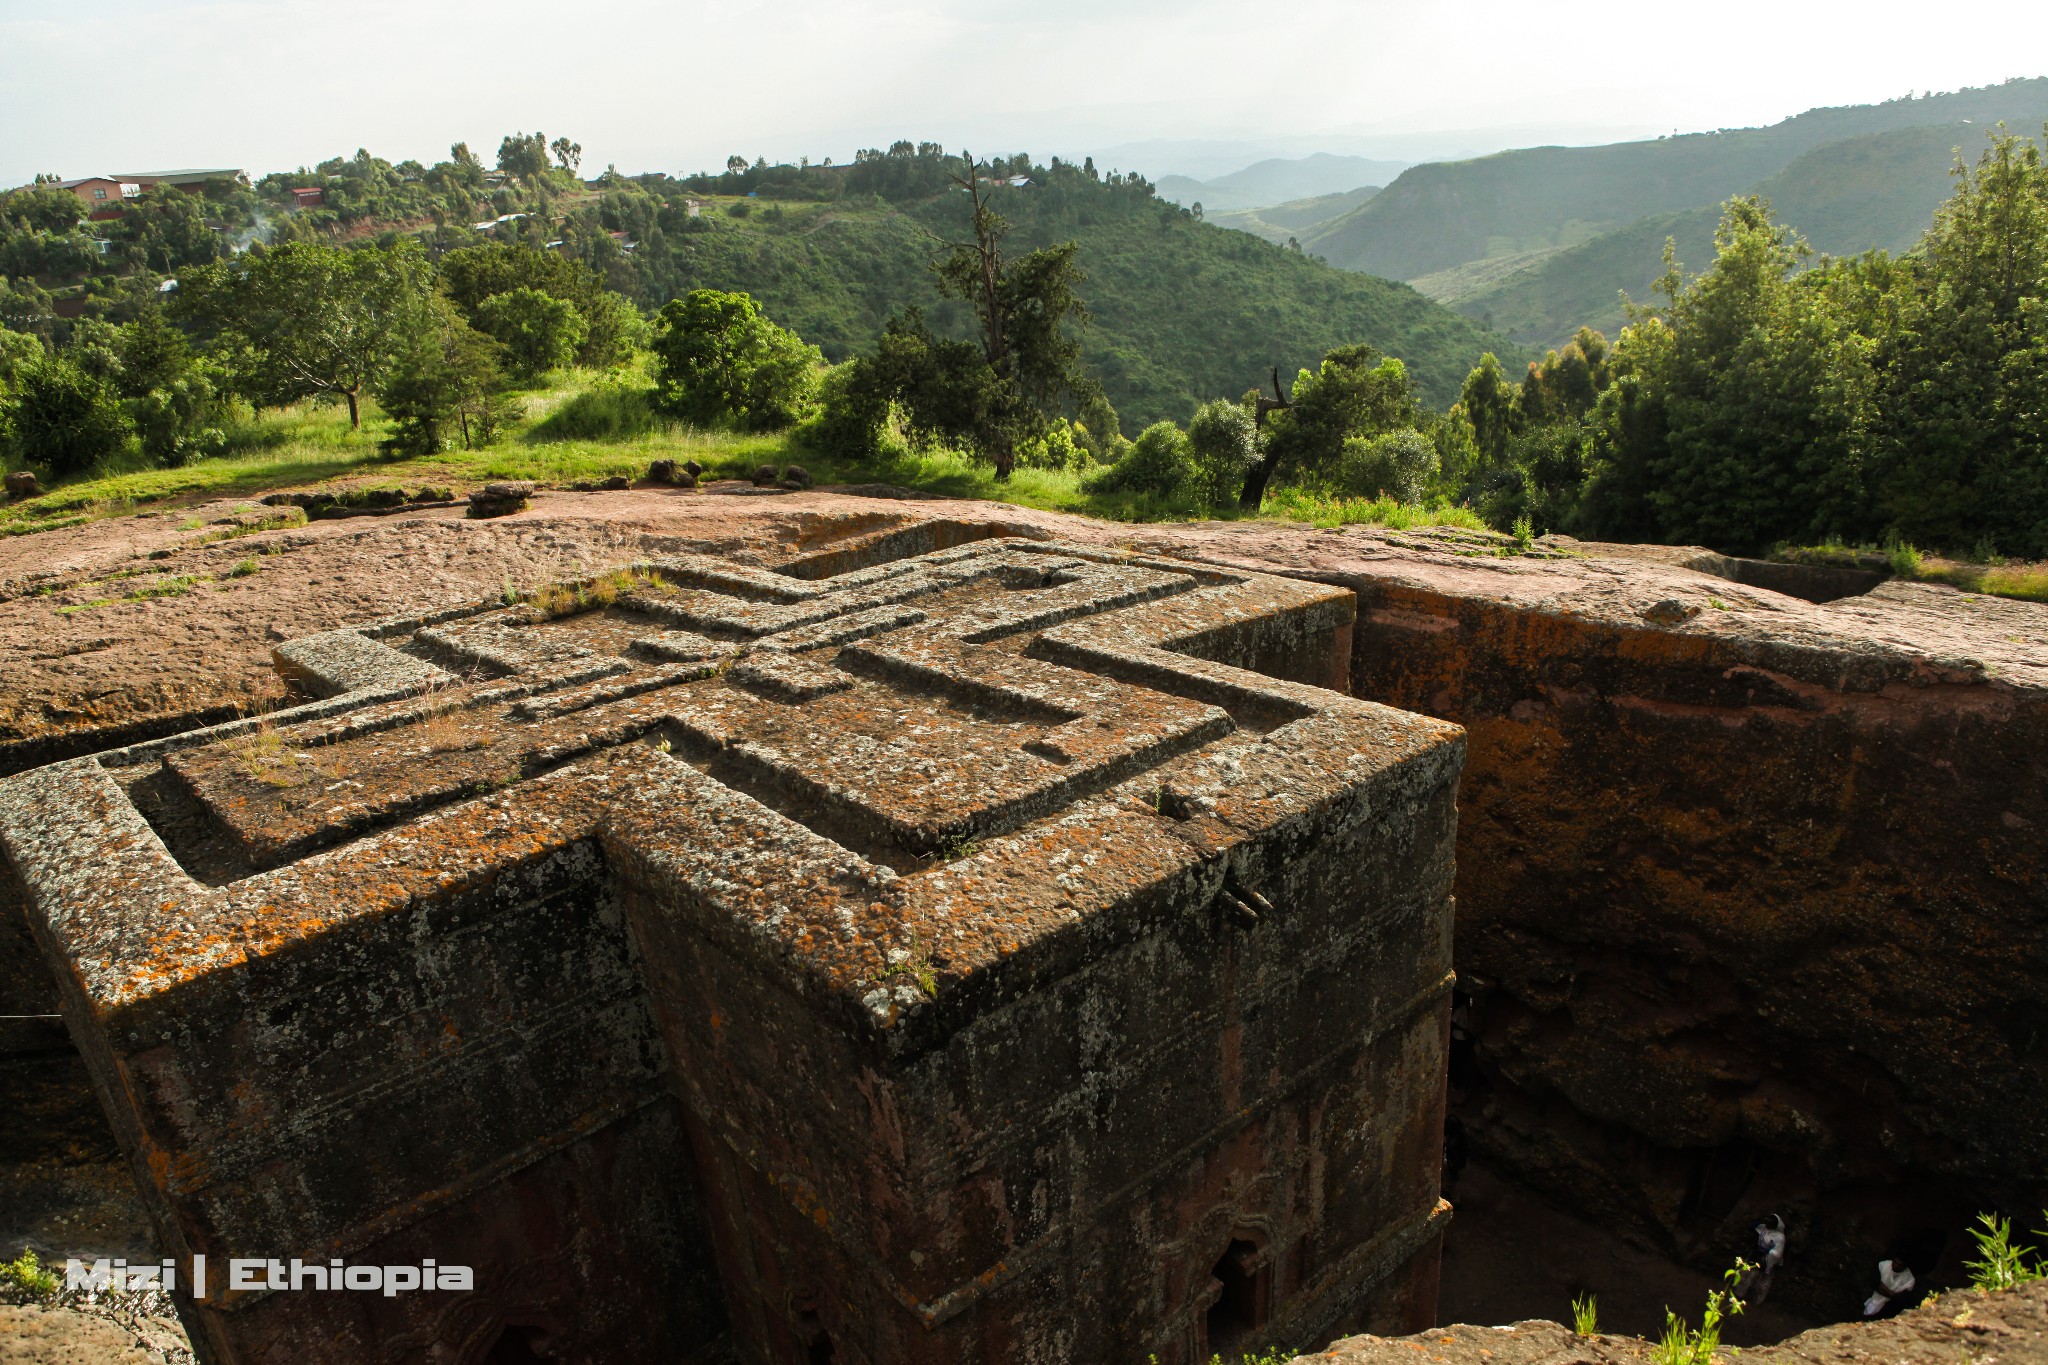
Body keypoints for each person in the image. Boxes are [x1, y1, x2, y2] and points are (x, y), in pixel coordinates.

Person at [1736, 1214, 1786, 1304]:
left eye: (1769, 1224)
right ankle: (1739, 1293)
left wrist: (1767, 1256)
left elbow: (1778, 1253)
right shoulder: (1764, 1228)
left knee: (1764, 1281)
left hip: (1770, 1259)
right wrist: (1760, 1220)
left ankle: (1758, 1299)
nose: (1767, 1225)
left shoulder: (1780, 1237)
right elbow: (1751, 1226)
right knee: (1748, 1274)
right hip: (1758, 1254)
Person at [1862, 1253, 1916, 1318]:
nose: (1895, 1266)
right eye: (1895, 1262)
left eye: (1899, 1265)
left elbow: (1900, 1298)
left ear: (1905, 1267)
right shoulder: (1883, 1265)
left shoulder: (1909, 1279)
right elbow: (1875, 1283)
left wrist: (1882, 1288)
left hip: (1889, 1307)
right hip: (1872, 1296)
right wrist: (1892, 1294)